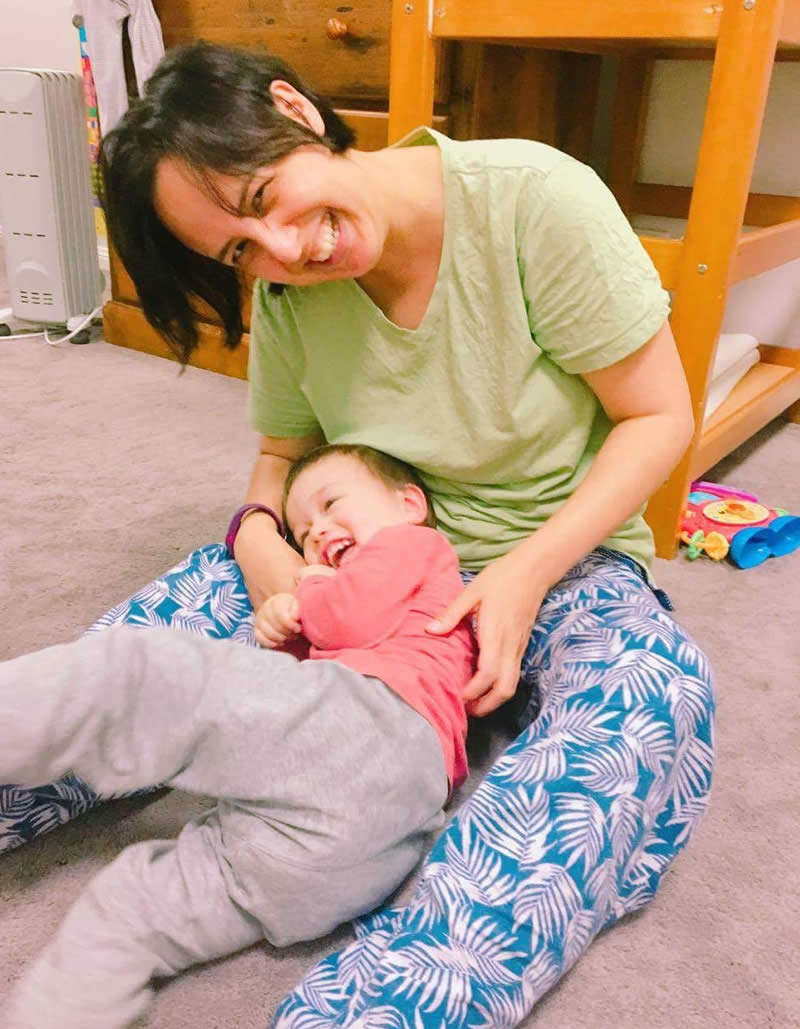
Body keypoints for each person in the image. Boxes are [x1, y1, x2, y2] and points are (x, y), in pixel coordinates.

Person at [3, 39, 715, 1027]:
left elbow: (656, 419)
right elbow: (278, 466)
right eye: (240, 253)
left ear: (293, 109)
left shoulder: (531, 201)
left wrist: (519, 575)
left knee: (650, 693)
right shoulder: (291, 299)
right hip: (359, 544)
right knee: (146, 643)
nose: (286, 254)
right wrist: (263, 551)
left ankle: (384, 1005)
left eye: (260, 202)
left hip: (558, 556)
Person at [0, 444, 476, 1029]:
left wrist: (308, 585)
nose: (319, 531)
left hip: (374, 726)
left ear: (409, 503)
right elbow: (327, 651)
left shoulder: (415, 545)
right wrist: (286, 634)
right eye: (303, 533)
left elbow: (345, 621)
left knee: (140, 676)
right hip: (359, 848)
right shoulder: (363, 584)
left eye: (331, 504)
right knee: (133, 904)